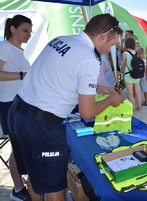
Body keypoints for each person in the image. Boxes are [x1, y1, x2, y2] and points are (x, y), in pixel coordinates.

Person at [8, 14, 124, 201]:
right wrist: (110, 100)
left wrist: (98, 88)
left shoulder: (61, 40)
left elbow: (60, 76)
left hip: (17, 113)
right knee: (55, 188)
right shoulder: (89, 58)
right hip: (42, 126)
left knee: (36, 176)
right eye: (111, 44)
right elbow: (87, 112)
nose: (108, 49)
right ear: (102, 37)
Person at [0, 14, 32, 201]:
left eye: (30, 31)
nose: (28, 34)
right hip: (8, 104)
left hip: (18, 103)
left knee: (20, 147)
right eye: (24, 30)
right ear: (13, 28)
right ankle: (18, 190)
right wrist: (22, 75)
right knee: (17, 148)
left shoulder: (16, 50)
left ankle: (22, 185)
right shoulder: (4, 47)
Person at [121, 37, 142, 111]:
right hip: (136, 74)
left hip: (128, 74)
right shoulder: (136, 52)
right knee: (137, 92)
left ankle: (133, 109)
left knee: (130, 94)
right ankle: (139, 107)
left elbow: (123, 64)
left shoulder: (125, 53)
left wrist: (122, 71)